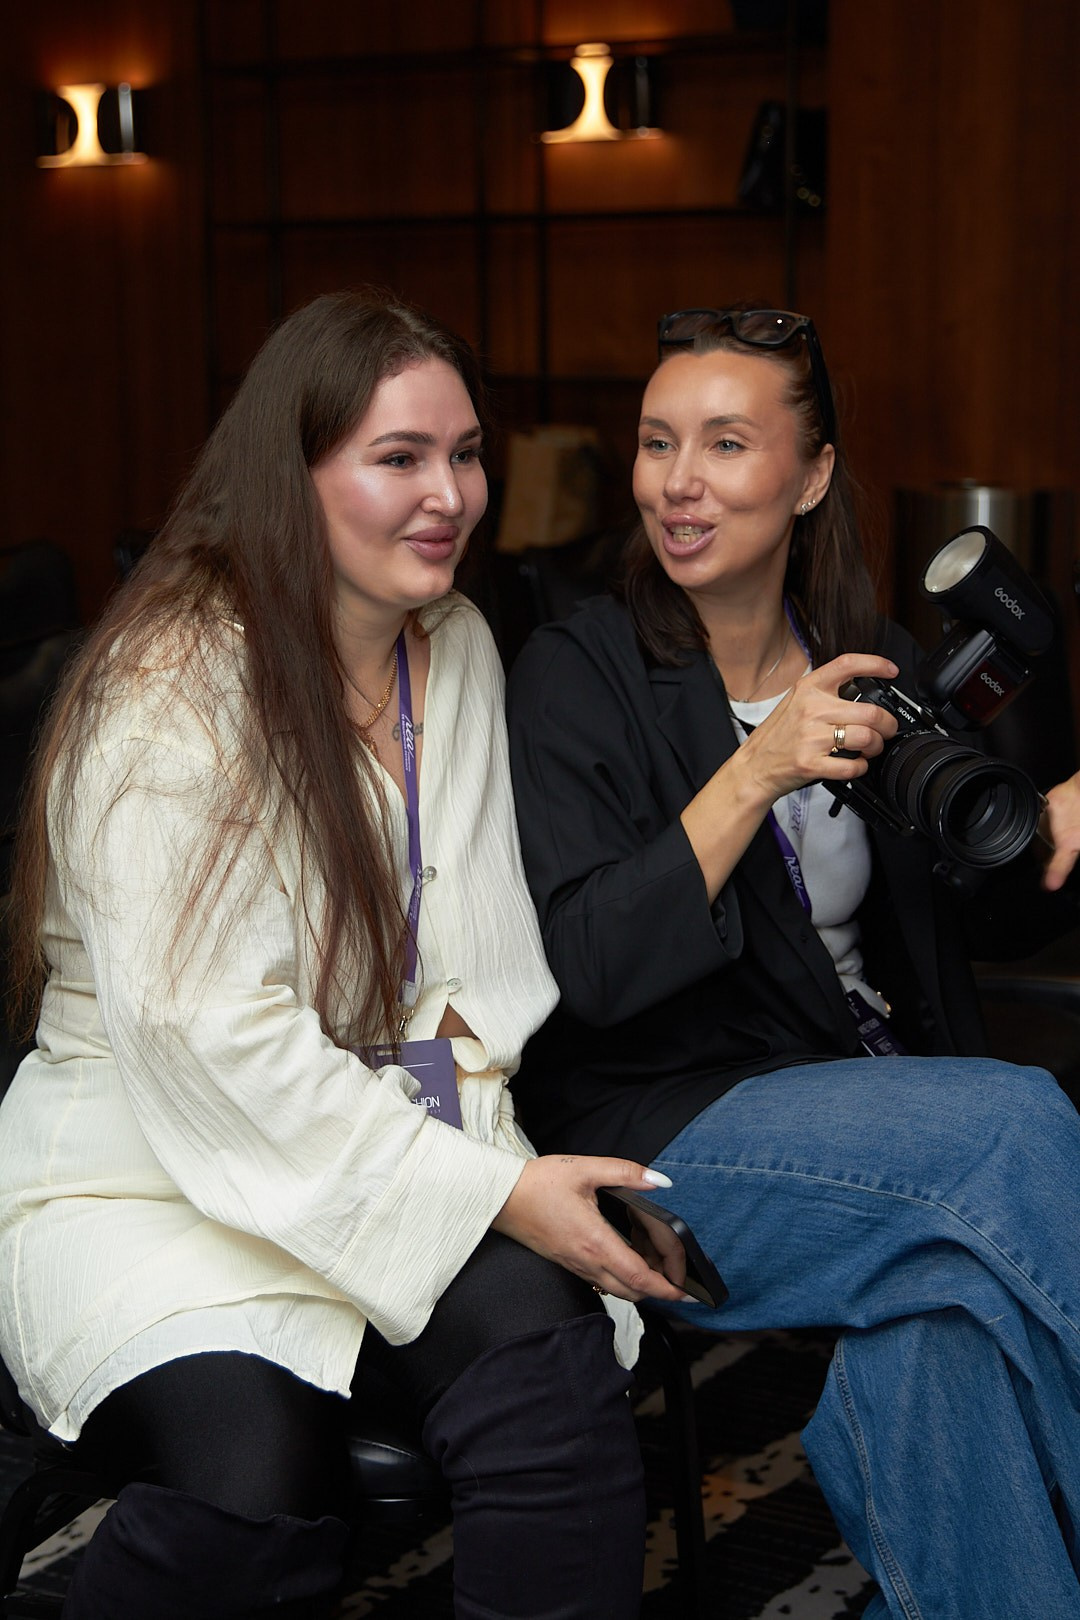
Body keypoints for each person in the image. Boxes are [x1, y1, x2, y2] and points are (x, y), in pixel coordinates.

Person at [0, 287, 692, 1620]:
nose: (451, 494)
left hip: (389, 1133)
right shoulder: (169, 691)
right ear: (293, 478)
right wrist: (496, 1196)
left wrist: (487, 1180)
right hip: (145, 1173)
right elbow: (204, 1040)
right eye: (399, 458)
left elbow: (472, 986)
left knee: (553, 1400)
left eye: (466, 453)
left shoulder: (460, 652)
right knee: (259, 1496)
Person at [506, 305, 1080, 1619]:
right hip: (664, 1132)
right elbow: (585, 969)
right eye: (658, 444)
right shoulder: (575, 673)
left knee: (939, 1332)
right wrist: (755, 771)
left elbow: (972, 932)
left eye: (725, 442)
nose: (680, 480)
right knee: (1013, 1126)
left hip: (884, 1121)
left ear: (812, 474)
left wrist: (1047, 826)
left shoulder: (864, 656)